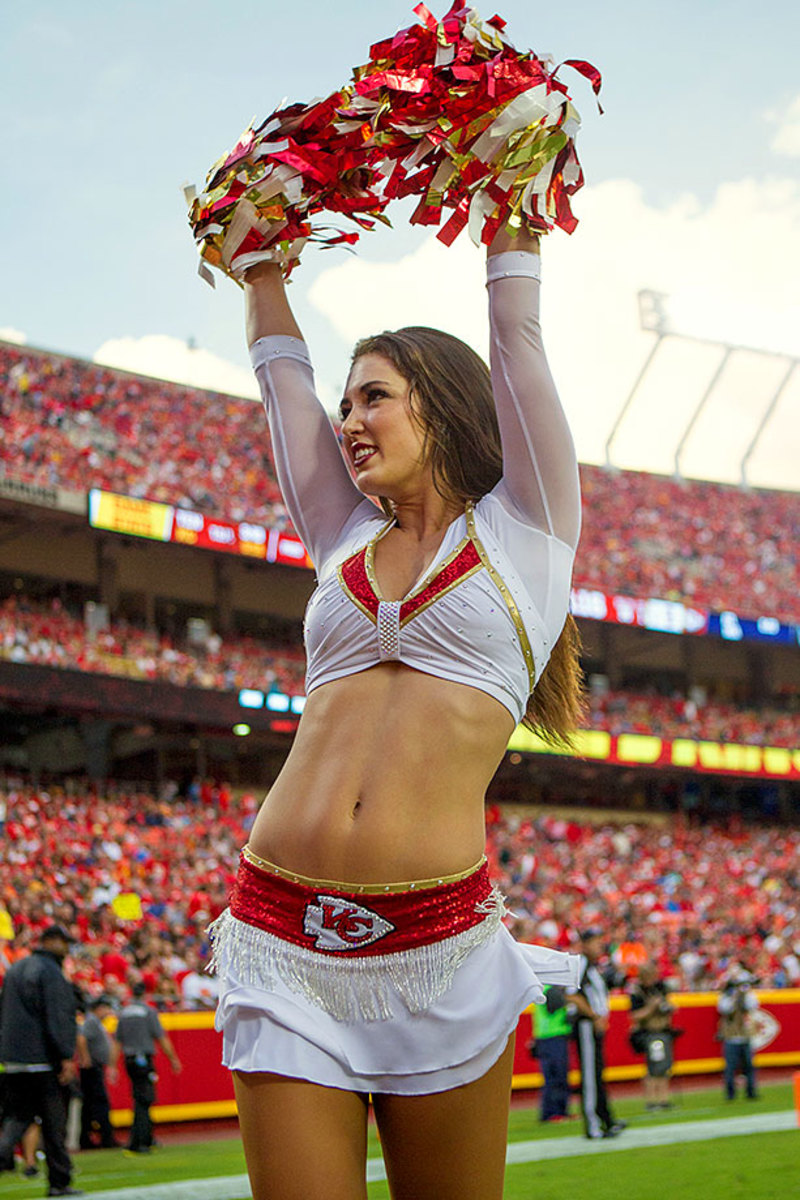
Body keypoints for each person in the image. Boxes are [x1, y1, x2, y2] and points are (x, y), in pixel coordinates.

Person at [206, 211, 585, 1200]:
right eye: (346, 403)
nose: (348, 420)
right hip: (278, 936)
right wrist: (258, 268)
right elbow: (282, 388)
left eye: (374, 396)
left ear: (444, 407)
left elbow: (517, 341)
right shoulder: (340, 537)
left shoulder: (529, 536)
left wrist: (510, 210)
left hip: (436, 950)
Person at [0, 924, 84, 1196]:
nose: (67, 948)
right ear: (53, 941)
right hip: (43, 1060)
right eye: (64, 942)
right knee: (53, 1123)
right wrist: (65, 1055)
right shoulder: (50, 972)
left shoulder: (15, 969)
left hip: (13, 1060)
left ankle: (3, 1153)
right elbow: (57, 1017)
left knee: (18, 1119)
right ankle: (59, 1181)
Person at [571, 929, 626, 1141]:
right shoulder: (581, 964)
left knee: (596, 1073)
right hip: (585, 1024)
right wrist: (594, 1016)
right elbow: (571, 996)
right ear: (584, 944)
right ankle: (593, 1124)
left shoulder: (592, 967)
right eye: (595, 942)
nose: (599, 946)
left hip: (592, 1024)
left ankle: (606, 1118)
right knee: (590, 1076)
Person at [115, 982, 181, 1154]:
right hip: (143, 1059)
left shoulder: (124, 1013)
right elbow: (161, 1037)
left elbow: (117, 1041)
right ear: (145, 994)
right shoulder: (149, 1012)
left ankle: (147, 1137)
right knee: (145, 1099)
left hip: (129, 1059)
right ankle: (139, 1141)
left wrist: (112, 1066)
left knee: (139, 1097)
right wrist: (173, 1059)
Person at [628, 961, 676, 1110]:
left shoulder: (660, 988)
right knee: (654, 1067)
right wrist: (652, 1007)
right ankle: (652, 1100)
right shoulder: (637, 993)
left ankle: (663, 1099)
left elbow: (667, 1007)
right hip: (650, 1033)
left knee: (664, 1066)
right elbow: (635, 1016)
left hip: (663, 1031)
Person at [78, 996, 119, 1150]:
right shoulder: (92, 1021)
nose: (108, 1012)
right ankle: (106, 1138)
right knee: (100, 1102)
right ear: (99, 1008)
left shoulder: (94, 1022)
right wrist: (86, 1058)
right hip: (92, 1068)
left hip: (94, 1067)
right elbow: (81, 1038)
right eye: (106, 1008)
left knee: (90, 1104)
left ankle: (87, 1138)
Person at [529, 985, 573, 1122]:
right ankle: (554, 1112)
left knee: (554, 1077)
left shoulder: (543, 989)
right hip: (553, 1036)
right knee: (556, 1076)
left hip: (545, 1036)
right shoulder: (550, 990)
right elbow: (555, 1006)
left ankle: (558, 1112)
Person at [717, 965, 759, 1101]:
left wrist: (744, 993)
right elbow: (725, 1009)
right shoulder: (726, 996)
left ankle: (751, 1091)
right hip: (731, 1036)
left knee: (749, 1066)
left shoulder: (748, 995)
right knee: (730, 1067)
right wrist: (734, 995)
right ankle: (730, 1093)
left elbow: (753, 1005)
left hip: (745, 1035)